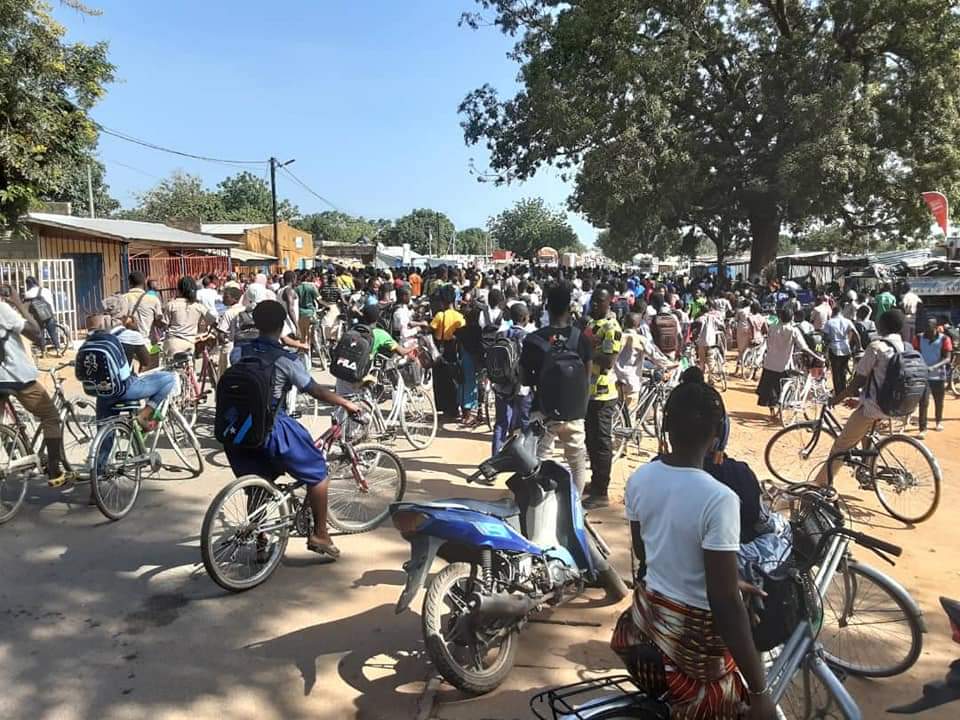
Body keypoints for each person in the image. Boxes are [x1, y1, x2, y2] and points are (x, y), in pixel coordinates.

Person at [615, 379, 775, 720]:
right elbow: (724, 602)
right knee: (737, 700)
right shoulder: (719, 499)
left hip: (646, 625)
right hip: (694, 649)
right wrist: (760, 693)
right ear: (717, 434)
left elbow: (645, 554)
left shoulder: (640, 478)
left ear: (666, 425)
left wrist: (727, 582)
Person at [225, 301, 360, 559]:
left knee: (258, 485)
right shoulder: (285, 359)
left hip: (238, 429)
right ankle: (320, 534)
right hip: (272, 428)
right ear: (282, 326)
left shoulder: (238, 353)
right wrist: (345, 402)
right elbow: (315, 390)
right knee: (318, 473)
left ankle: (260, 537)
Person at [814, 310, 906, 486]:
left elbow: (856, 383)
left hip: (874, 407)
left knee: (841, 447)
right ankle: (867, 473)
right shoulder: (902, 346)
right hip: (892, 404)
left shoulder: (877, 347)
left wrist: (835, 399)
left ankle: (820, 485)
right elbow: (882, 379)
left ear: (883, 325)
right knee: (867, 437)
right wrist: (860, 399)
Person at [520, 282, 591, 493]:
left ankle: (540, 501)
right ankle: (576, 506)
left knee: (539, 457)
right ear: (570, 308)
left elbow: (524, 379)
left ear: (547, 307)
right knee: (577, 460)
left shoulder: (535, 339)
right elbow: (587, 377)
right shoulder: (581, 339)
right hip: (575, 411)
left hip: (544, 410)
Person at [0, 287, 68, 486]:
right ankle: (55, 470)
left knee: (2, 425)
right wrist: (19, 304)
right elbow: (36, 333)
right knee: (51, 416)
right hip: (13, 375)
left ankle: (15, 453)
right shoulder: (3, 309)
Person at [582, 287, 623, 508]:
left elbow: (608, 361)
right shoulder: (590, 324)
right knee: (590, 440)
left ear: (609, 303)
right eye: (594, 301)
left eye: (601, 302)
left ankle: (602, 492)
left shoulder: (611, 327)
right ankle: (595, 481)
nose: (596, 305)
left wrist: (586, 349)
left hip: (603, 394)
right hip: (588, 393)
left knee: (602, 443)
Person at [756, 306, 816, 418]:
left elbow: (768, 343)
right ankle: (780, 412)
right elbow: (804, 348)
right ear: (792, 317)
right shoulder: (793, 330)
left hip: (769, 363)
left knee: (769, 391)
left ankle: (772, 412)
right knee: (784, 388)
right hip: (783, 365)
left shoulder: (772, 328)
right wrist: (816, 356)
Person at [490, 303, 534, 454]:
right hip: (522, 386)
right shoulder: (527, 337)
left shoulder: (500, 334)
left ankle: (494, 461)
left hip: (501, 384)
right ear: (524, 318)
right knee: (525, 424)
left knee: (501, 424)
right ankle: (526, 461)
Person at [615, 313, 672, 412]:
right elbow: (655, 356)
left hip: (616, 379)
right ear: (638, 327)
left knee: (617, 411)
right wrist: (669, 364)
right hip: (631, 381)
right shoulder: (640, 340)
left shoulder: (618, 337)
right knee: (630, 413)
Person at [430, 285, 466, 418]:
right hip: (454, 350)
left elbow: (431, 329)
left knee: (441, 381)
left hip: (441, 350)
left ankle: (445, 408)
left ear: (442, 301)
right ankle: (455, 407)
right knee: (453, 379)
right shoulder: (460, 317)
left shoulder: (440, 315)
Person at [913, 318, 952, 437]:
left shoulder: (945, 339)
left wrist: (934, 366)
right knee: (923, 402)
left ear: (936, 329)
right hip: (924, 375)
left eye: (929, 330)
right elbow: (915, 354)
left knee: (938, 401)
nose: (927, 333)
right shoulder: (919, 338)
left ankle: (938, 421)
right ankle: (922, 428)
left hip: (939, 376)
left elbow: (947, 358)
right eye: (925, 330)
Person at [162, 277, 217, 356]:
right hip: (190, 343)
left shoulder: (171, 305)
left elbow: (164, 325)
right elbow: (213, 321)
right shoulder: (198, 306)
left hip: (173, 343)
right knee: (190, 366)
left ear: (179, 290)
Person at [823, 303, 859, 393]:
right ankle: (843, 390)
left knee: (835, 371)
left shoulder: (829, 322)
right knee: (843, 371)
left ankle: (838, 392)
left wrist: (824, 351)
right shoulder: (847, 321)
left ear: (833, 312)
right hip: (846, 348)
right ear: (841, 312)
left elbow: (826, 337)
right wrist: (859, 346)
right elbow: (856, 333)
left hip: (834, 348)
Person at [23, 276, 60, 355]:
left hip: (38, 317)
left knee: (41, 334)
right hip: (49, 315)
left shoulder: (27, 293)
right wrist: (53, 314)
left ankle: (43, 352)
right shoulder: (46, 290)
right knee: (53, 333)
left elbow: (27, 307)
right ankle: (58, 350)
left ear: (28, 284)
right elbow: (51, 304)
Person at [121, 271, 163, 338]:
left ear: (129, 283)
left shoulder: (122, 298)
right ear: (144, 283)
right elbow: (159, 321)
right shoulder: (153, 299)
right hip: (147, 342)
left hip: (128, 342)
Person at [295, 270, 320, 344]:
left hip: (300, 313)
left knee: (303, 334)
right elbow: (318, 299)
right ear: (308, 277)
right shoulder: (311, 287)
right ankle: (314, 344)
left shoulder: (297, 288)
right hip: (310, 312)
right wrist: (327, 306)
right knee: (313, 331)